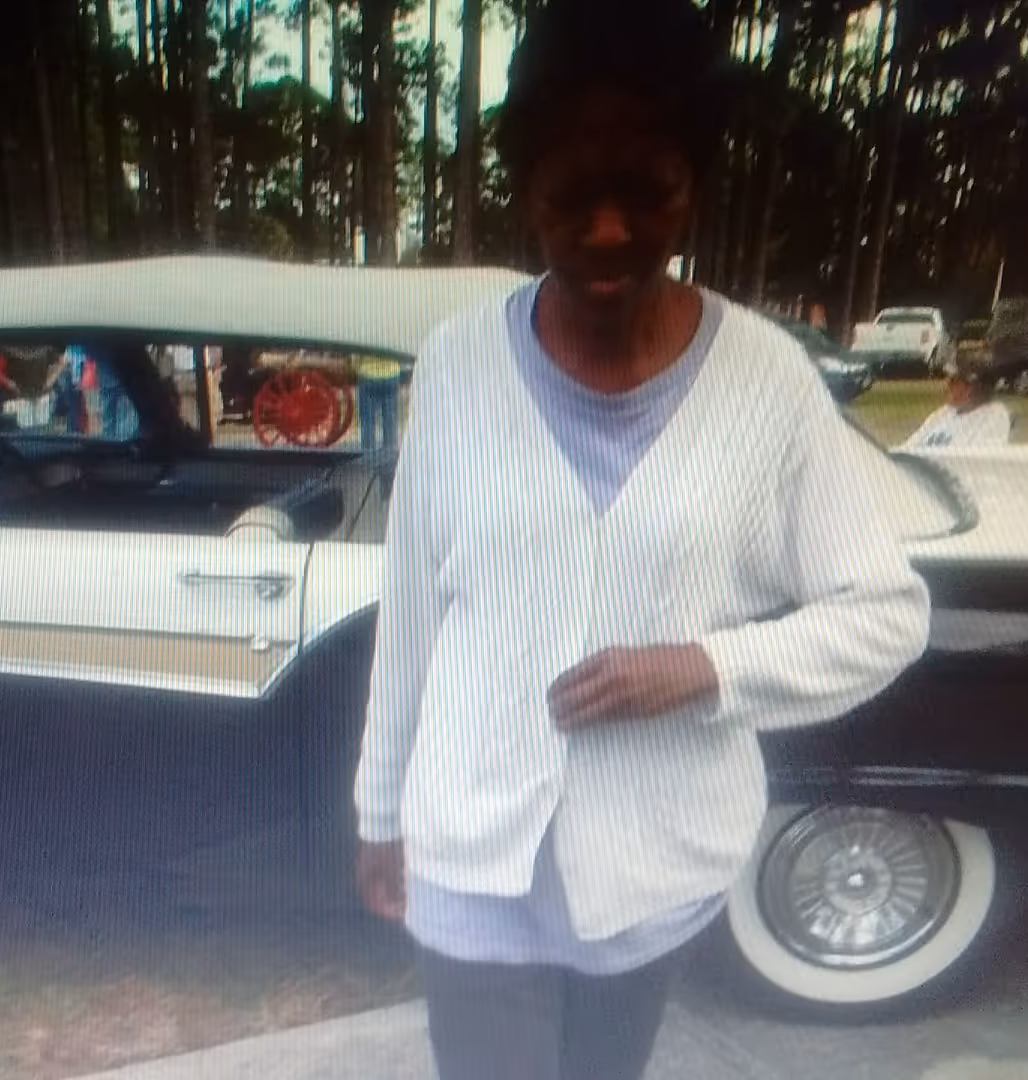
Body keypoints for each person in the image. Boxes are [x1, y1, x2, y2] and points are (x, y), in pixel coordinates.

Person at [348, 3, 933, 1079]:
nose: (610, 230)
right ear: (526, 188)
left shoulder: (766, 383)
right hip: (471, 855)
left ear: (694, 184)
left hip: (655, 865)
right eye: (574, 196)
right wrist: (380, 812)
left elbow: (886, 612)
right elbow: (415, 610)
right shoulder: (460, 365)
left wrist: (707, 666)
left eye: (648, 191)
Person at [902, 363, 1012, 448]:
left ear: (972, 387)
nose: (947, 385)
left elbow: (976, 461)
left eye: (953, 381)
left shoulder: (994, 415)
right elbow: (908, 447)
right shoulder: (944, 413)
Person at [353, 354, 404, 451]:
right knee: (390, 418)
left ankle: (368, 453)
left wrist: (355, 369)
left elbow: (355, 355)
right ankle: (390, 451)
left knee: (367, 419)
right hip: (391, 373)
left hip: (367, 373)